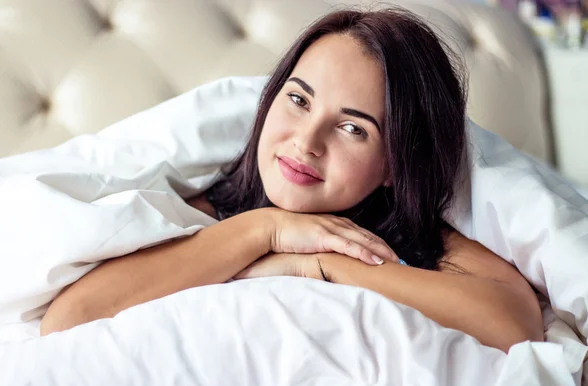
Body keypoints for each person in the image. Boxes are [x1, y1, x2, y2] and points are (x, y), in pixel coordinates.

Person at [40, 7, 543, 352]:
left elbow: (515, 324)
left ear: (393, 165)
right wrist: (265, 231)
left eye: (352, 128)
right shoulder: (198, 209)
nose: (306, 142)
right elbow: (68, 320)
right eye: (299, 100)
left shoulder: (410, 238)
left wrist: (318, 265)